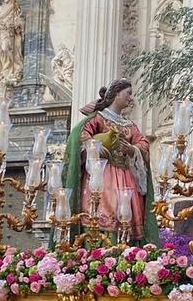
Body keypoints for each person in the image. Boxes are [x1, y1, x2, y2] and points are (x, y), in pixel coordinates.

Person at [65, 78, 156, 244]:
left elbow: (143, 143)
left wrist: (132, 149)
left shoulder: (129, 125)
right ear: (116, 94)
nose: (131, 98)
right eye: (128, 93)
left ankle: (126, 254)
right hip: (103, 174)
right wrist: (95, 146)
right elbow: (80, 135)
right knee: (102, 212)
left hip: (126, 178)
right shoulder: (98, 118)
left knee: (126, 216)